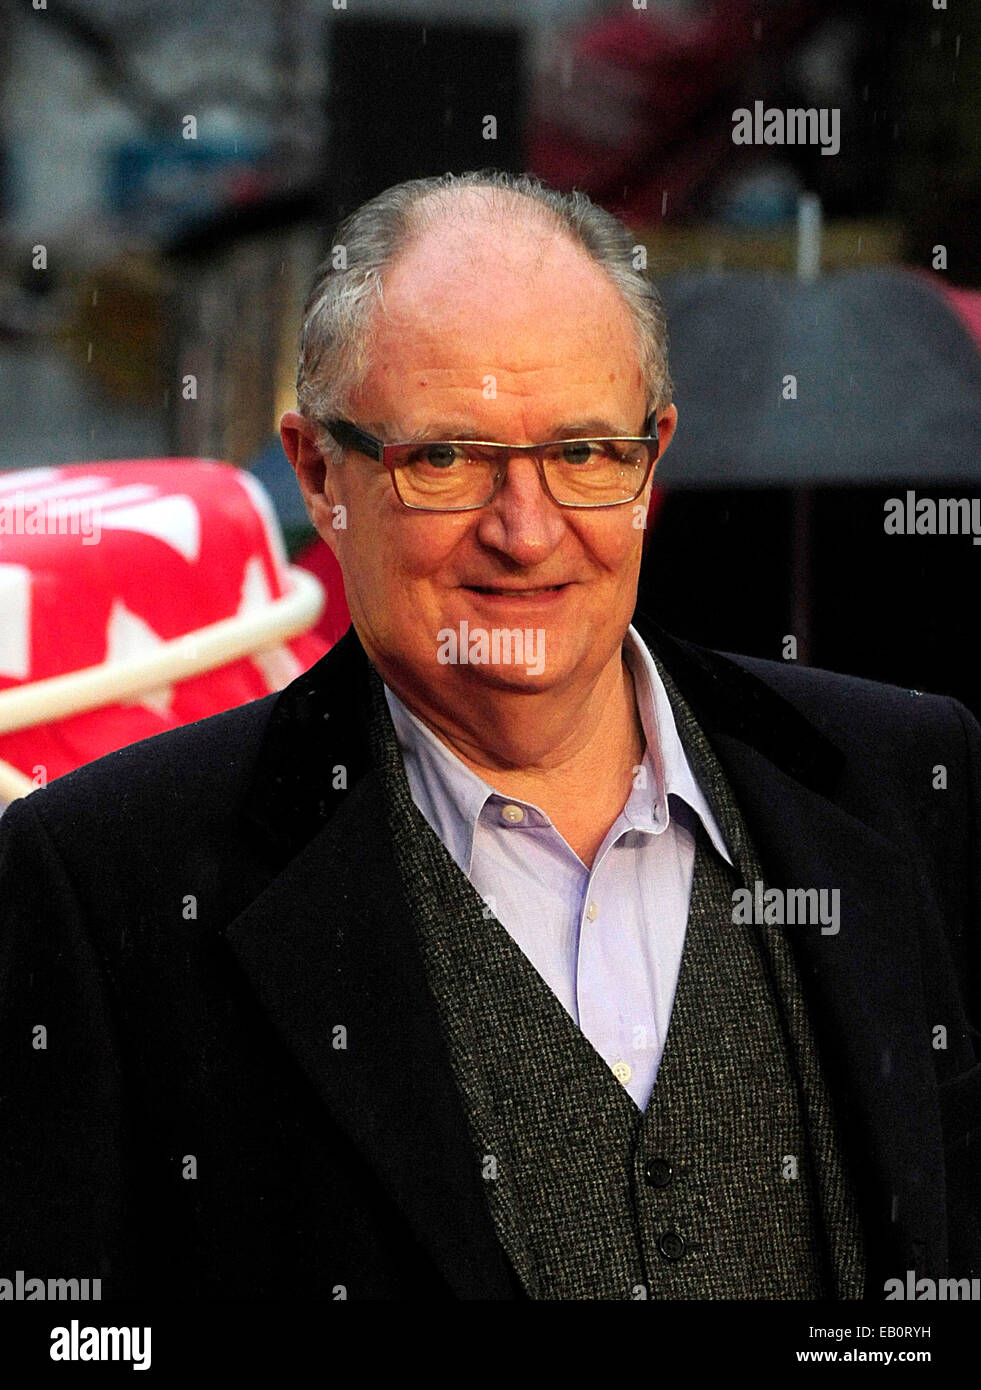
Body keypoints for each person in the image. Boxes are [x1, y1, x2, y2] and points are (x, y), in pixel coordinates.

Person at [0, 170, 978, 1301]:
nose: (527, 530)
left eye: (583, 453)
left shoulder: (913, 781)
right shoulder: (103, 883)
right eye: (447, 460)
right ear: (321, 473)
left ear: (652, 461)